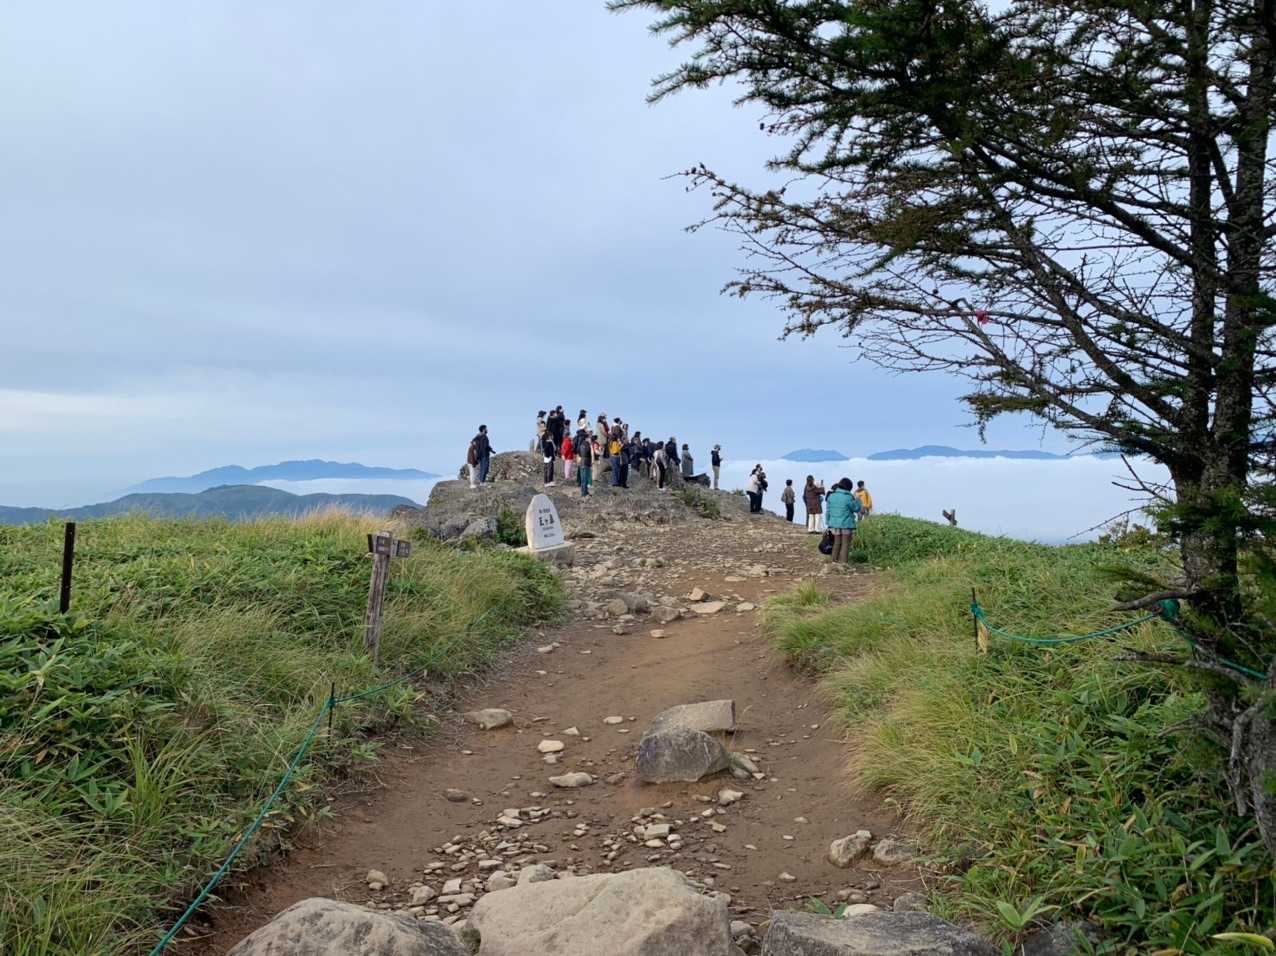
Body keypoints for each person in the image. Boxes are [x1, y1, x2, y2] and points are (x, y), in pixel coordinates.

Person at [825, 477, 863, 563]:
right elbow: (856, 508)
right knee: (845, 544)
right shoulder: (848, 497)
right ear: (848, 487)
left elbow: (828, 511)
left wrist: (828, 522)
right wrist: (858, 499)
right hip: (846, 524)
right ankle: (843, 564)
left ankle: (833, 561)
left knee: (837, 542)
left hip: (834, 524)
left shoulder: (831, 496)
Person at [577, 431, 593, 497]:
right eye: (589, 437)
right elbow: (586, 452)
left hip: (582, 462)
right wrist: (590, 445)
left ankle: (584, 492)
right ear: (586, 438)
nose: (590, 438)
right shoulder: (586, 444)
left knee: (583, 479)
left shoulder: (581, 444)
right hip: (586, 463)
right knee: (585, 479)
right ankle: (584, 493)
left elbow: (580, 454)